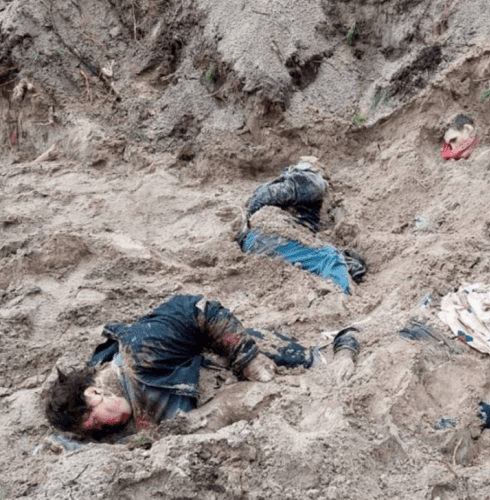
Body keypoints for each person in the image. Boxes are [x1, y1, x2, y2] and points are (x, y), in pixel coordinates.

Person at [44, 294, 360, 440]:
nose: (102, 429)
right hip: (214, 413)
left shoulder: (141, 352)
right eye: (92, 430)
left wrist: (246, 356)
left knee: (310, 363)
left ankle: (344, 344)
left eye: (96, 421)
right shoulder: (94, 429)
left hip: (223, 365)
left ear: (94, 393)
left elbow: (198, 310)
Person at [234, 160, 366, 294]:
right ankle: (345, 299)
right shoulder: (313, 180)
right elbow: (267, 196)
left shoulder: (274, 188)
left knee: (323, 256)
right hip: (270, 237)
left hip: (258, 242)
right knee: (330, 258)